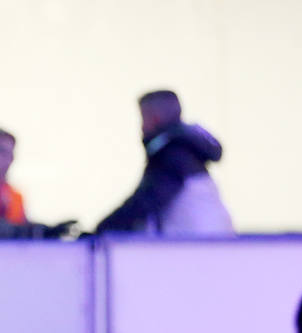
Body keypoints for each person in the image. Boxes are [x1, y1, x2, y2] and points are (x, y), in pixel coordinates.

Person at [97, 89, 233, 235]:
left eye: (144, 119)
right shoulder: (187, 153)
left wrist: (103, 230)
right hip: (214, 241)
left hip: (193, 246)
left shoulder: (171, 155)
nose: (142, 128)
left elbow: (146, 201)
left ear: (155, 119)